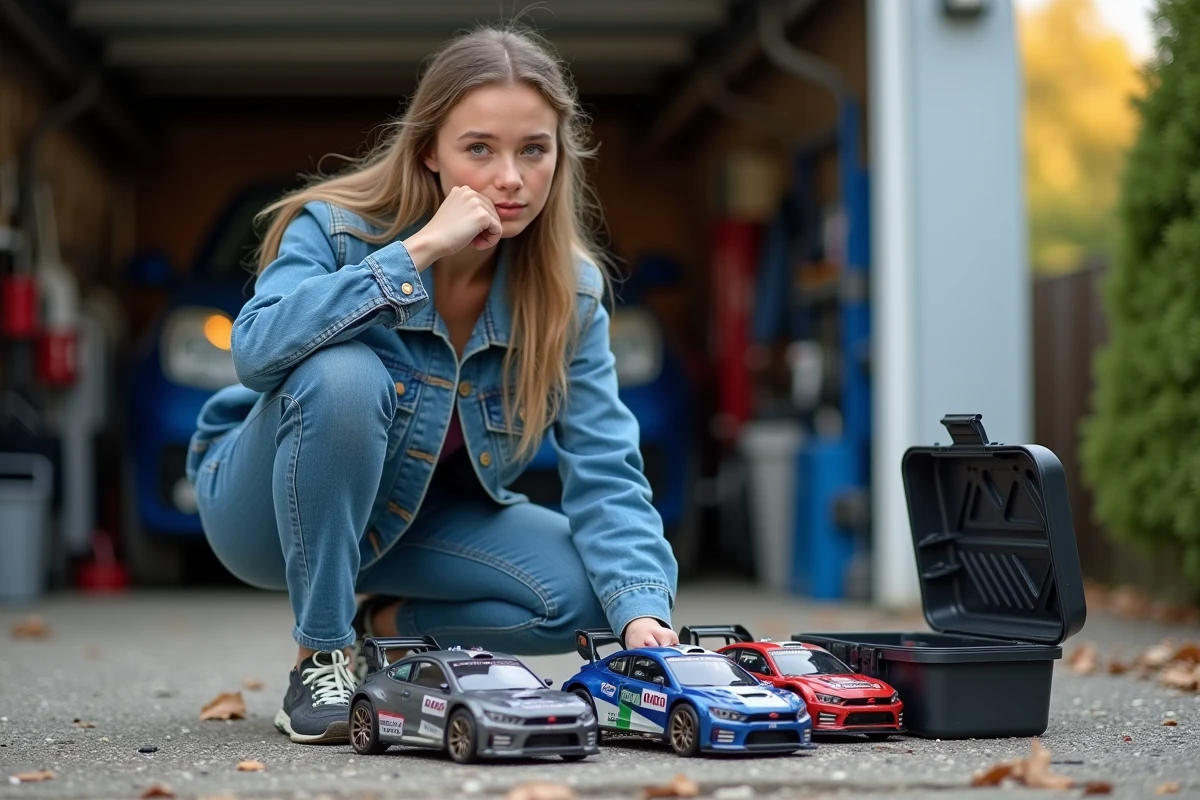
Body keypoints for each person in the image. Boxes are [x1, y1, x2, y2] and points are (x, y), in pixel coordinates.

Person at [184, 25, 680, 747]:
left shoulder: (567, 294)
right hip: (263, 511)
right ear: (429, 152)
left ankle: (380, 631)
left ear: (559, 155)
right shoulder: (335, 230)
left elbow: (607, 467)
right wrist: (416, 253)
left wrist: (642, 613)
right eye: (479, 148)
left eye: (533, 150)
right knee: (343, 376)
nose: (510, 178)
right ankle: (319, 656)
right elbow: (255, 353)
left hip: (414, 519)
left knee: (590, 597)